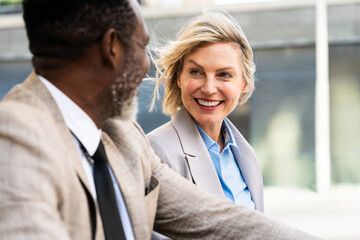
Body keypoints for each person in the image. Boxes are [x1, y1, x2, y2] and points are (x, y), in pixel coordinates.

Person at [0, 0, 321, 239]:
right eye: (142, 46)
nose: (145, 67)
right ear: (112, 47)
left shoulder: (121, 137)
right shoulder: (16, 135)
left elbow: (212, 217)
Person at [148, 11, 263, 212]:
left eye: (224, 75)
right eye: (196, 72)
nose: (209, 88)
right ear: (178, 78)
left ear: (244, 83)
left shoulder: (246, 156)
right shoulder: (156, 152)